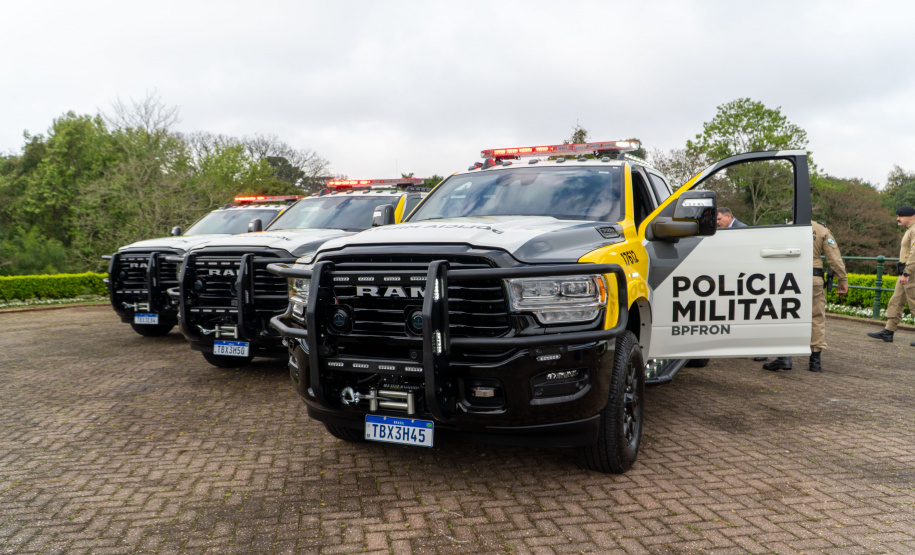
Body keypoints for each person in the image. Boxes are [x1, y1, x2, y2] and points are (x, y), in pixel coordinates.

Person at [764, 220, 848, 372]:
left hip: (788, 279)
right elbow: (834, 258)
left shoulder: (784, 229)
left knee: (786, 315)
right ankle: (815, 362)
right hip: (813, 277)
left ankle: (785, 357)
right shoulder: (821, 230)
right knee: (816, 317)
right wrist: (842, 279)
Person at [866, 205, 915, 344]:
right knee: (896, 301)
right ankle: (888, 331)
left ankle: (889, 331)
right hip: (906, 273)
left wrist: (906, 272)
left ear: (911, 216)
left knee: (914, 303)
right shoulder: (910, 230)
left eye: (900, 216)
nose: (897, 219)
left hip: (911, 273)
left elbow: (914, 254)